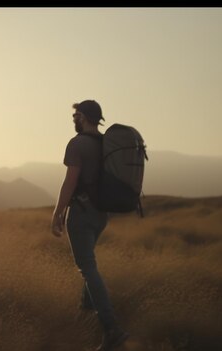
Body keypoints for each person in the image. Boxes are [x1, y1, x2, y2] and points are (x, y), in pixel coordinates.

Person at [51, 100, 129, 351]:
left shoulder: (77, 144)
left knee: (87, 268)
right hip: (101, 215)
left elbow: (70, 182)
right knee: (88, 265)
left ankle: (111, 328)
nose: (74, 119)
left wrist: (57, 212)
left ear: (83, 117)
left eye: (76, 115)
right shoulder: (106, 143)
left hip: (82, 214)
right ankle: (87, 316)